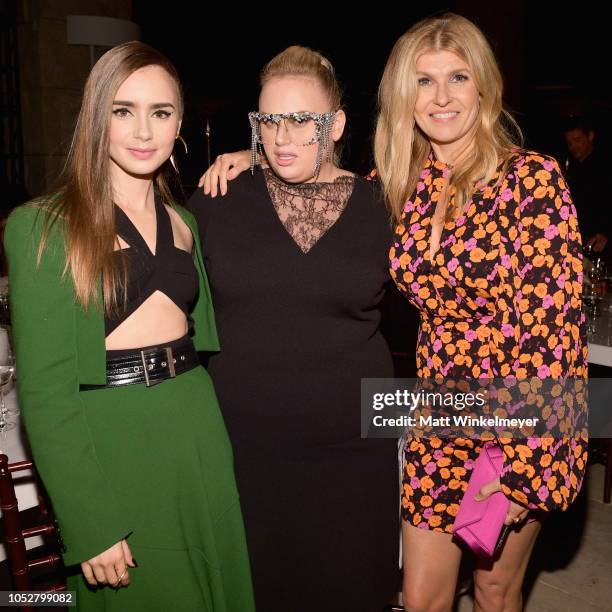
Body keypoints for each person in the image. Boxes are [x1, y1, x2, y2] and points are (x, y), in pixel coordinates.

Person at [201, 13, 588, 612]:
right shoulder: (401, 183)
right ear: (403, 97)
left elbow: (556, 332)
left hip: (516, 415)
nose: (440, 97)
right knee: (421, 595)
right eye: (423, 81)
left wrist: (527, 464)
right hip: (438, 411)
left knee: (492, 585)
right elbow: (322, 181)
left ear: (483, 86)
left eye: (457, 77)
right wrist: (253, 158)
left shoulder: (531, 180)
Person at [4, 41, 255, 611]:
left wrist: (257, 155)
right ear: (97, 117)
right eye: (123, 111)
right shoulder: (42, 226)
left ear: (179, 124)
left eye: (160, 112)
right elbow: (43, 393)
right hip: (114, 446)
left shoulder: (185, 221)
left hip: (196, 437)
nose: (143, 130)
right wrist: (88, 519)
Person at [188, 46, 399, 612]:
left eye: (302, 120)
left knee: (350, 589)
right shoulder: (219, 198)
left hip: (353, 449)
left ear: (336, 124)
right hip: (243, 449)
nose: (282, 138)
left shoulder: (385, 207)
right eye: (268, 121)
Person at [563, 115, 612, 254]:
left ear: (590, 136)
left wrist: (606, 233)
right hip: (584, 243)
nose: (573, 146)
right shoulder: (575, 169)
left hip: (601, 245)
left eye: (577, 140)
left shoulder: (605, 166)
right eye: (569, 143)